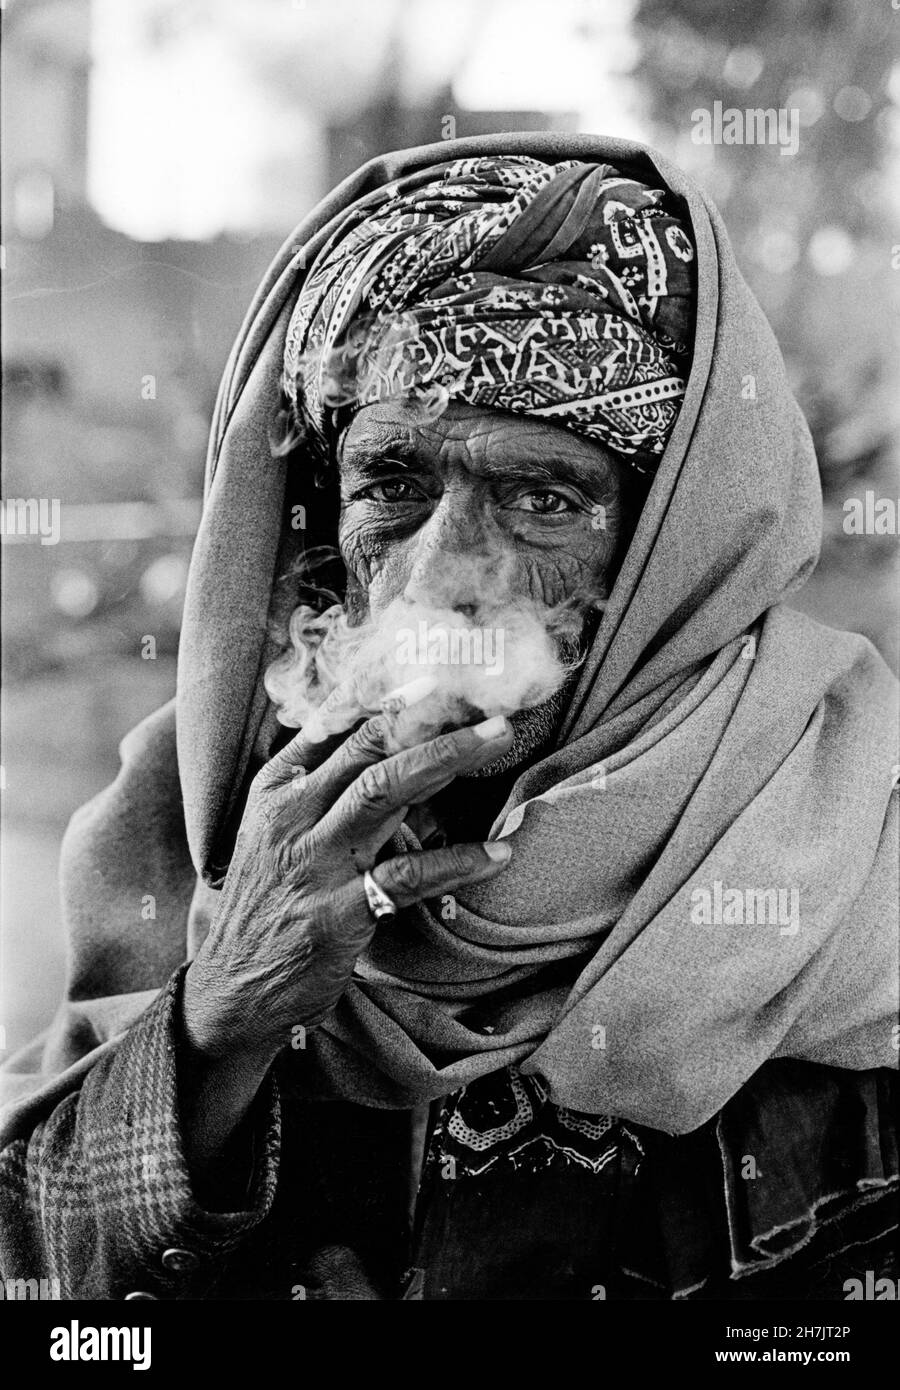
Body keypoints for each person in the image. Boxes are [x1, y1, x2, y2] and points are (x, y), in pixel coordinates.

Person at [1, 134, 896, 1301]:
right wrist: (215, 1022)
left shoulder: (845, 851)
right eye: (395, 484)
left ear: (671, 552)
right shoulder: (205, 822)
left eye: (543, 499)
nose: (442, 576)